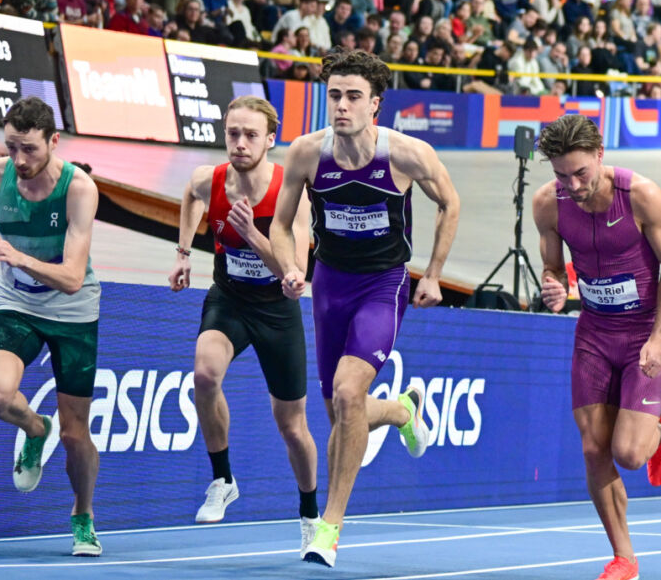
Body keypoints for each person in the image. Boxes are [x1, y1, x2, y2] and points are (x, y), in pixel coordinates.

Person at [271, 50, 461, 566]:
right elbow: (281, 223)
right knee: (339, 411)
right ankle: (403, 410)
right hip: (331, 283)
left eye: (353, 96)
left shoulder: (406, 154)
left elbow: (450, 202)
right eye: (334, 95)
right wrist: (291, 267)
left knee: (348, 392)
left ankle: (329, 527)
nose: (341, 105)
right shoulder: (307, 153)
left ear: (375, 104)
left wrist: (436, 273)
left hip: (384, 283)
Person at [533, 114, 661, 580]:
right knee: (593, 447)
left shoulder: (641, 195)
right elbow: (553, 271)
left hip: (644, 332)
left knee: (630, 454)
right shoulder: (548, 204)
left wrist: (659, 337)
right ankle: (624, 557)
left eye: (580, 172)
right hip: (595, 333)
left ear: (600, 155)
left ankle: (654, 432)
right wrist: (555, 287)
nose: (573, 184)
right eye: (562, 175)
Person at [0, 98, 103, 556]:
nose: (19, 160)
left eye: (30, 150)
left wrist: (18, 256)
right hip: (16, 302)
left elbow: (73, 280)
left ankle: (82, 515)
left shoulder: (79, 190)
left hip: (72, 312)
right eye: (12, 147)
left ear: (54, 142)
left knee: (76, 435)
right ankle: (37, 430)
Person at [169, 97, 320, 545]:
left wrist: (254, 234)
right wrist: (182, 252)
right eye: (233, 133)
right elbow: (191, 197)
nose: (239, 143)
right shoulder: (208, 179)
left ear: (271, 140)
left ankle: (311, 515)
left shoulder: (292, 194)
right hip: (229, 299)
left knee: (292, 427)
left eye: (251, 135)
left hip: (276, 310)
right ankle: (223, 480)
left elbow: (294, 272)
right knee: (204, 372)